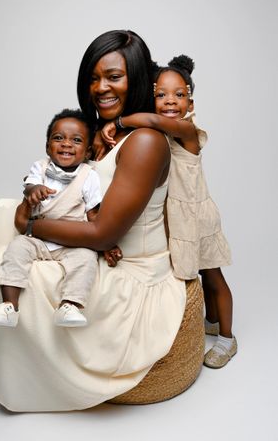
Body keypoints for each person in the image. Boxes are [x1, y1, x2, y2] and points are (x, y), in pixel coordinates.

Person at [0, 30, 187, 412]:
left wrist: (29, 225)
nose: (100, 88)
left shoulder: (146, 142)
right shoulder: (102, 132)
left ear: (137, 80)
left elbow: (102, 234)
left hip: (128, 270)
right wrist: (23, 207)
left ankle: (13, 324)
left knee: (17, 260)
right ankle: (2, 304)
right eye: (93, 78)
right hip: (93, 248)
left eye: (114, 77)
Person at [99, 55, 237, 369]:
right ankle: (212, 320)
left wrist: (120, 121)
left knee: (213, 277)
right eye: (160, 95)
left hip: (198, 219)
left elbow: (159, 122)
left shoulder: (186, 130)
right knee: (198, 273)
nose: (169, 101)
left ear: (190, 101)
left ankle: (227, 339)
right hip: (178, 220)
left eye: (178, 94)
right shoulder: (158, 136)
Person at [0, 108, 121, 328]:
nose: (66, 144)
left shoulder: (88, 175)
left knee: (86, 259)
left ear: (87, 152)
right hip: (37, 237)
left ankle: (69, 306)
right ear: (48, 147)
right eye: (58, 138)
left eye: (76, 140)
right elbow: (29, 186)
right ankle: (9, 306)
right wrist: (34, 189)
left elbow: (94, 213)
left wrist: (106, 244)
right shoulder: (41, 167)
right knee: (16, 248)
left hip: (72, 241)